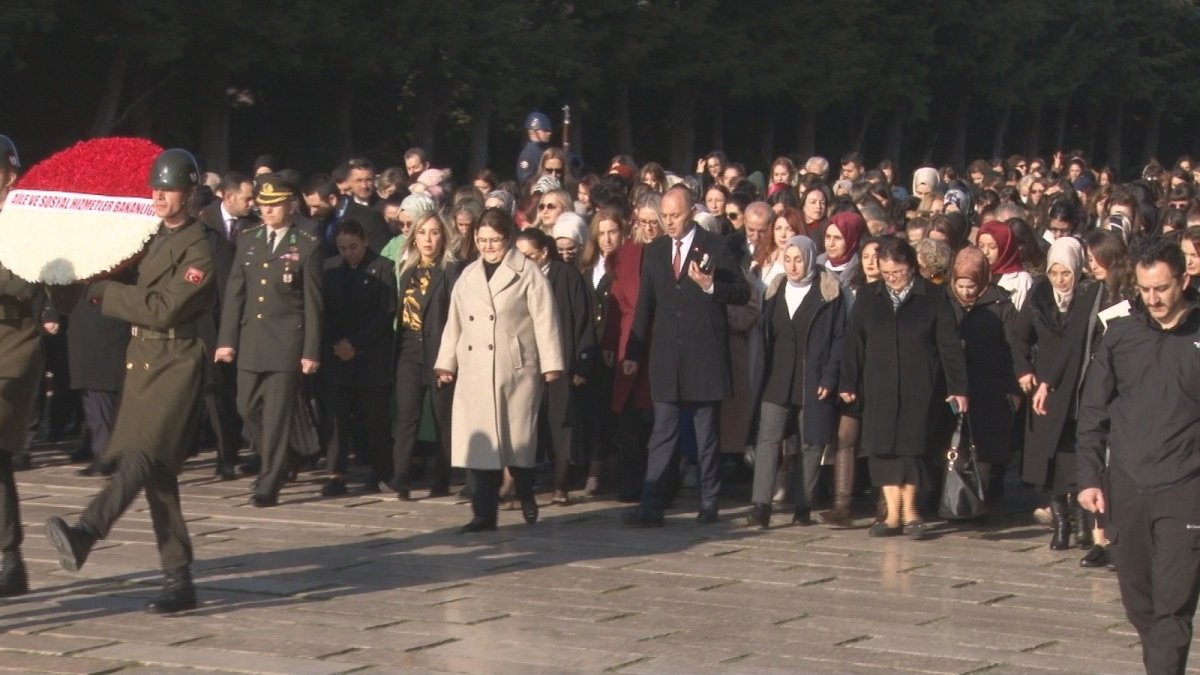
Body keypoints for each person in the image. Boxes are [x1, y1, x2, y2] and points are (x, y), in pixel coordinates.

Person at [43, 148, 216, 613]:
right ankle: (179, 581)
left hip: (176, 362)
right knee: (158, 476)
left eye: (170, 188)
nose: (159, 195)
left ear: (191, 193)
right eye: (155, 187)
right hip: (145, 360)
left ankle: (85, 533)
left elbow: (162, 308)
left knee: (139, 458)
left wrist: (102, 293)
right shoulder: (155, 237)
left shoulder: (200, 247)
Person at [1077, 239, 1200, 675]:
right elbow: (1092, 410)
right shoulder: (1122, 334)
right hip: (1126, 487)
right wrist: (1089, 476)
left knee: (1173, 604)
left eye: (1162, 288)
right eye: (1146, 290)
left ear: (1184, 279)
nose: (1154, 299)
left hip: (1185, 489)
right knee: (1139, 602)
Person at [622, 186, 751, 527]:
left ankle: (709, 502)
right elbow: (646, 305)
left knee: (706, 434)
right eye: (664, 216)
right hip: (667, 357)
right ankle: (652, 504)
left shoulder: (715, 246)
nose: (668, 223)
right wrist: (634, 352)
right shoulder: (656, 251)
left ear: (691, 211)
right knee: (662, 431)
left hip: (704, 356)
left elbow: (741, 292)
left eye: (674, 216)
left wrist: (711, 286)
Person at [434, 208, 564, 532]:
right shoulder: (467, 275)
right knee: (480, 448)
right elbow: (455, 323)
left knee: (516, 442)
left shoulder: (528, 273)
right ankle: (483, 514)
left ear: (508, 239)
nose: (488, 246)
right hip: (475, 369)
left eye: (494, 240)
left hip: (514, 368)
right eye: (482, 240)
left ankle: (525, 491)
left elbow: (545, 319)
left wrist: (551, 364)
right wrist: (446, 362)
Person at [839, 238, 968, 540]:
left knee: (912, 449)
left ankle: (911, 511)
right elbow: (854, 341)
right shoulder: (869, 296)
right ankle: (891, 513)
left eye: (897, 272)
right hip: (879, 384)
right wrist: (848, 380)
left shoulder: (933, 297)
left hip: (919, 385)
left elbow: (949, 345)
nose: (892, 278)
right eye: (886, 273)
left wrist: (957, 387)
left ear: (911, 267)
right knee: (883, 448)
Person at [215, 174, 323, 507]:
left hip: (286, 341)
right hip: (252, 339)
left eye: (274, 205)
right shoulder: (248, 240)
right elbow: (236, 293)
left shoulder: (306, 243)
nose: (267, 211)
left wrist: (311, 350)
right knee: (245, 407)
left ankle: (270, 478)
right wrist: (227, 339)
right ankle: (281, 457)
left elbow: (313, 302)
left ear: (290, 205)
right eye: (263, 205)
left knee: (277, 415)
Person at [745, 236, 845, 529]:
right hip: (777, 378)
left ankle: (803, 503)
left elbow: (839, 340)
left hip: (811, 380)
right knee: (767, 440)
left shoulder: (828, 293)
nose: (793, 266)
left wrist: (830, 376)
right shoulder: (774, 291)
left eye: (798, 259)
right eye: (788, 259)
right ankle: (760, 506)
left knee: (811, 442)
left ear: (810, 259)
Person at [1009, 237, 1102, 550]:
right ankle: (1060, 522)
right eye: (1054, 273)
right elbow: (1019, 338)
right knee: (1048, 458)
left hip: (1076, 385)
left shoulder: (1089, 296)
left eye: (1066, 273)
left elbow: (1076, 344)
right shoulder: (1039, 295)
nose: (1061, 281)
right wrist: (1024, 370)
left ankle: (1081, 523)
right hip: (1043, 389)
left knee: (1074, 454)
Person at [514, 228, 596, 505]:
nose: (524, 261)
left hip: (561, 361)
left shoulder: (567, 276)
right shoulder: (517, 278)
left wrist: (582, 365)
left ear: (544, 252)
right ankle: (519, 483)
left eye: (529, 255)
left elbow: (582, 322)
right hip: (526, 364)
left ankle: (561, 485)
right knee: (525, 423)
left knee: (562, 423)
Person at [319, 219, 396, 497]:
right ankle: (336, 473)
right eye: (342, 248)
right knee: (337, 417)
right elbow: (323, 311)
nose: (348, 253)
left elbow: (384, 313)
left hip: (370, 354)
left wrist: (356, 344)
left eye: (353, 247)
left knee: (374, 417)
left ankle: (382, 471)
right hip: (337, 352)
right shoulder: (330, 269)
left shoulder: (384, 267)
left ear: (364, 241)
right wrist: (337, 343)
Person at [392, 212, 461, 500]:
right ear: (414, 237)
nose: (428, 239)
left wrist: (449, 359)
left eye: (434, 233)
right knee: (407, 416)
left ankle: (442, 477)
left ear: (443, 236)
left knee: (442, 416)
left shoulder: (451, 270)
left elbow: (456, 317)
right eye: (422, 233)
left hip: (439, 351)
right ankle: (401, 477)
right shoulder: (408, 270)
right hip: (409, 347)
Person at [0, 135, 40, 598]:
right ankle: (11, 559)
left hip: (12, 346)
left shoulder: (28, 223)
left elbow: (26, 282)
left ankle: (10, 557)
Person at [948, 247, 1019, 499]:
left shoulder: (1001, 304)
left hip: (990, 386)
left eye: (972, 286)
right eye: (961, 285)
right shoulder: (945, 303)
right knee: (955, 445)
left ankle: (982, 497)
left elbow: (1014, 346)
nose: (966, 292)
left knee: (986, 447)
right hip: (954, 385)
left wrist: (1013, 386)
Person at [517, 112, 552, 185]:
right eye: (545, 130)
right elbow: (527, 181)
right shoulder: (528, 154)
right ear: (536, 132)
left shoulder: (542, 150)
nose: (549, 133)